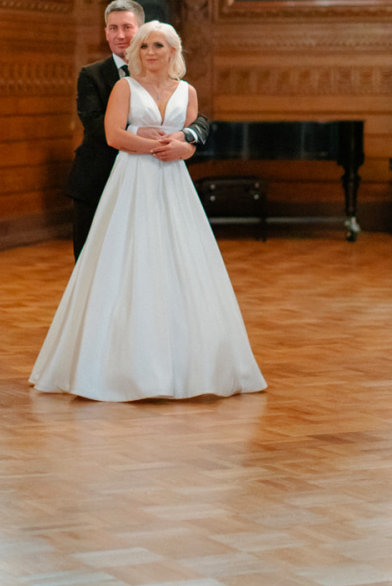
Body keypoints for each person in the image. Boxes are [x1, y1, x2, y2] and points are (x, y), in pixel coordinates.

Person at [32, 21, 266, 401]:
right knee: (126, 260)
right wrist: (153, 148)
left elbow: (191, 136)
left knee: (181, 261)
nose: (151, 52)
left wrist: (183, 149)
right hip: (133, 179)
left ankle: (191, 365)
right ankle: (116, 366)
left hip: (173, 182)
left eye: (158, 45)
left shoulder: (187, 91)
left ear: (173, 52)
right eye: (144, 46)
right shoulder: (125, 87)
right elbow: (113, 135)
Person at [64, 0, 208, 260]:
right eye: (112, 28)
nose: (120, 35)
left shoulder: (175, 80)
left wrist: (186, 140)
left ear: (141, 28)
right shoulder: (92, 75)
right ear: (105, 32)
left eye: (127, 27)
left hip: (159, 180)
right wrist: (137, 131)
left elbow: (197, 120)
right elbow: (93, 121)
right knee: (92, 260)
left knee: (155, 256)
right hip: (99, 177)